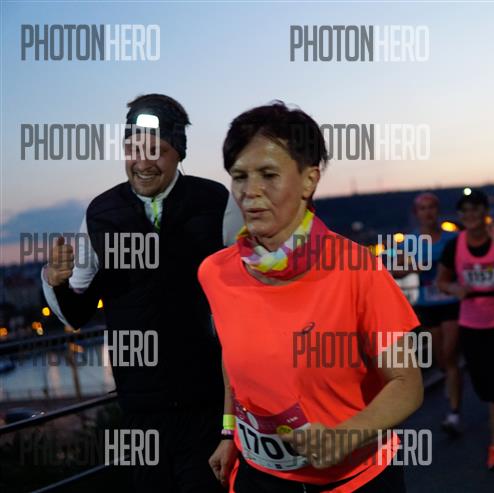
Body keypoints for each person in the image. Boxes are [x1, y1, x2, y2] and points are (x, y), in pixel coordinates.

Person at [199, 102, 424, 492]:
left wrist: (346, 436)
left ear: (308, 180)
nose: (250, 192)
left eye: (269, 175)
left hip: (355, 480)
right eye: (239, 176)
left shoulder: (358, 269)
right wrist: (228, 432)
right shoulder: (214, 272)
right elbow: (233, 357)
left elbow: (407, 383)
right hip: (260, 479)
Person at [42, 94, 241, 492]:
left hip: (205, 404)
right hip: (137, 409)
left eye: (157, 151)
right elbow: (77, 313)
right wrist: (54, 281)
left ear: (179, 153)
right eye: (133, 149)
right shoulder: (101, 213)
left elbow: (247, 299)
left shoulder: (217, 202)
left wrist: (231, 423)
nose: (143, 162)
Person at [436, 189, 494, 470]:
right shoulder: (455, 246)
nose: (470, 215)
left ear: (485, 211)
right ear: (460, 216)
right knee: (482, 386)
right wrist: (455, 289)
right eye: (465, 211)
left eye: (475, 209)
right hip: (471, 322)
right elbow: (441, 281)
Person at [407, 192, 463, 436]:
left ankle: (454, 413)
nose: (428, 212)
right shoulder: (410, 242)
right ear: (416, 213)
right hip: (427, 305)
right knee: (440, 358)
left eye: (431, 207)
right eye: (423, 208)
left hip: (451, 302)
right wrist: (415, 267)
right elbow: (393, 268)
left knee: (450, 355)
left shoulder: (453, 238)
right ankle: (450, 379)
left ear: (437, 210)